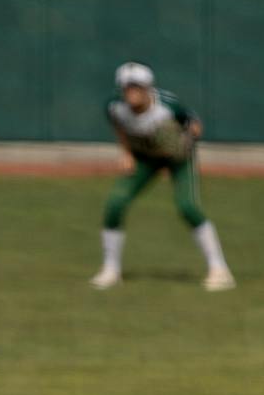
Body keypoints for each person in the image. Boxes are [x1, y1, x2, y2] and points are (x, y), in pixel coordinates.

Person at [91, 61, 235, 292]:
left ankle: (219, 269)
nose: (131, 92)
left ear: (148, 87)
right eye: (127, 87)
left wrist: (181, 146)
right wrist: (126, 153)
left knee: (187, 207)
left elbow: (195, 125)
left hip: (177, 159)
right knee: (115, 203)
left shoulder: (168, 106)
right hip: (144, 157)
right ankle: (110, 269)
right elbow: (118, 125)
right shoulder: (115, 106)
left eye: (136, 86)